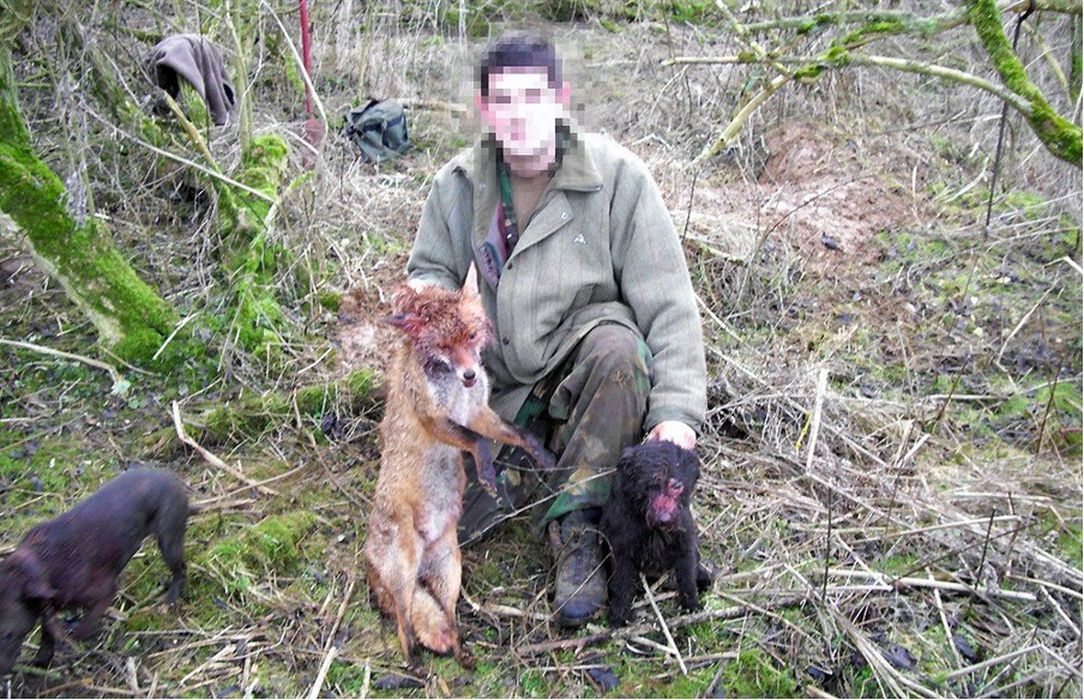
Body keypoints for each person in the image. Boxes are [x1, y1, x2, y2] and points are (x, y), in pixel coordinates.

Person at [405, 31, 707, 628]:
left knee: (621, 350)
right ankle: (520, 470)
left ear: (560, 98)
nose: (519, 117)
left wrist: (676, 415)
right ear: (486, 110)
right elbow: (428, 279)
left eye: (533, 98)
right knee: (441, 514)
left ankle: (581, 523)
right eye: (504, 102)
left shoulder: (618, 179)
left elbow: (668, 302)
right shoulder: (460, 185)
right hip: (499, 380)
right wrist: (424, 313)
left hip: (587, 368)